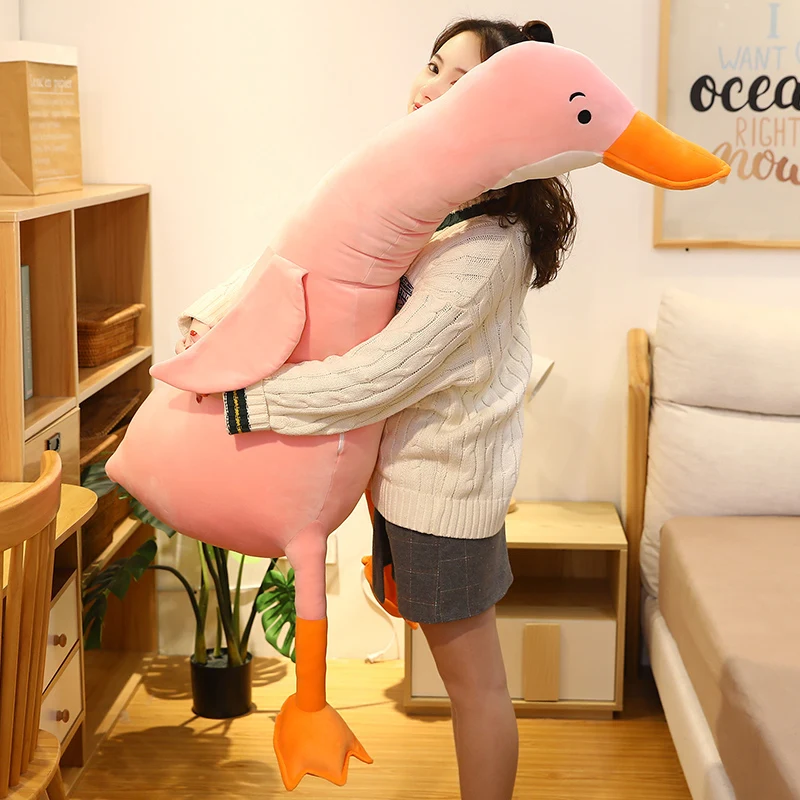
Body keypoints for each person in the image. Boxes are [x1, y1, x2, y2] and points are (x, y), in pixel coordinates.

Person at [176, 17, 577, 800]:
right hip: (399, 478)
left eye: (463, 81)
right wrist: (211, 321)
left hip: (443, 489)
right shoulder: (428, 198)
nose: (432, 88)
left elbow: (384, 375)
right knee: (470, 680)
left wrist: (248, 402)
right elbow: (313, 258)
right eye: (434, 65)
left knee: (476, 686)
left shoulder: (491, 240)